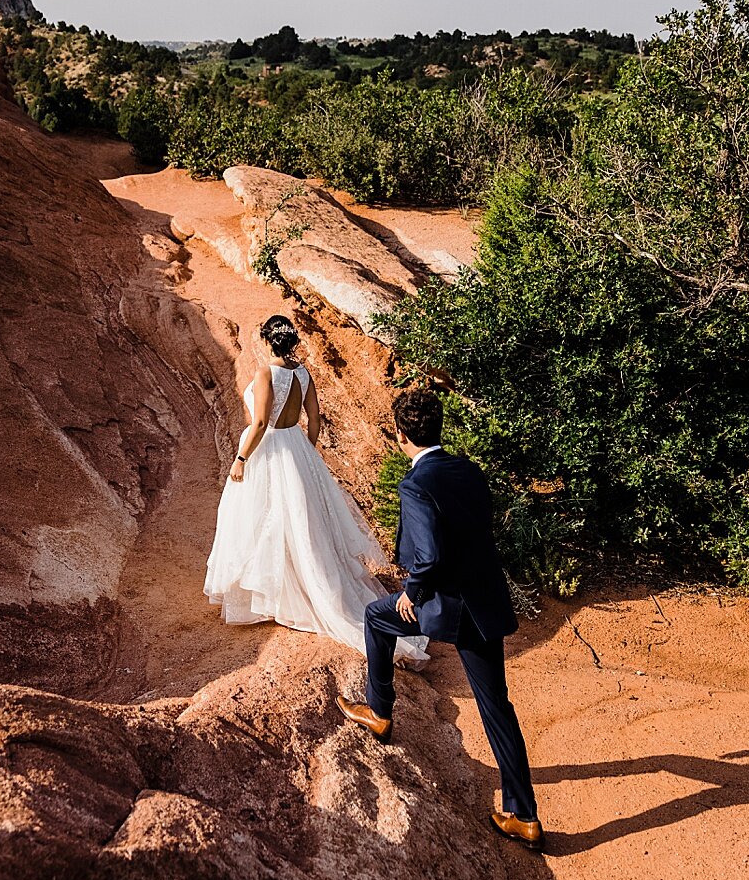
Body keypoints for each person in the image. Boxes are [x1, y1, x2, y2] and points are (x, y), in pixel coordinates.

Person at [337, 389, 543, 848]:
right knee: (497, 708)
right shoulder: (468, 470)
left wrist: (413, 591)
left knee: (376, 616)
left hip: (445, 605)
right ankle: (524, 816)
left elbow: (427, 555)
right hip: (484, 601)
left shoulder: (414, 484)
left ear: (400, 433)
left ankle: (379, 711)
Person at [204, 315, 427, 667]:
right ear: (291, 340)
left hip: (270, 449)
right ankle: (291, 590)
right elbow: (315, 418)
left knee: (264, 519)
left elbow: (261, 422)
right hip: (296, 446)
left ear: (267, 340)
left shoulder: (266, 373)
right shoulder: (303, 374)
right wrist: (306, 452)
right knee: (298, 522)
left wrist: (242, 457)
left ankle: (279, 597)